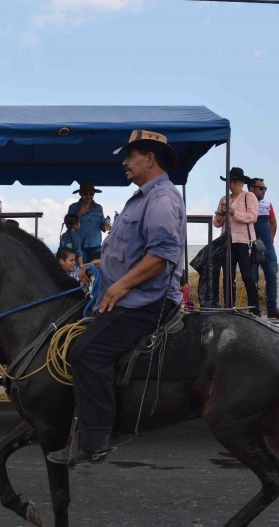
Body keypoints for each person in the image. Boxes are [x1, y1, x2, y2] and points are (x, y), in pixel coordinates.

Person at [47, 130, 185, 466]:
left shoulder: (161, 199)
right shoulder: (140, 198)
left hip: (146, 300)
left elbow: (163, 255)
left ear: (149, 158)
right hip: (128, 293)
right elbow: (128, 249)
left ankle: (94, 440)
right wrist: (99, 263)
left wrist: (120, 286)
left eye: (130, 155)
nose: (124, 161)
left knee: (86, 352)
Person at [212, 167, 260, 316]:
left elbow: (252, 217)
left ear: (241, 183)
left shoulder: (249, 196)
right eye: (229, 182)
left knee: (247, 275)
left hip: (243, 241)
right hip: (227, 241)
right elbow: (216, 222)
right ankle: (229, 307)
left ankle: (255, 308)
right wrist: (220, 214)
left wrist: (233, 213)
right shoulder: (223, 199)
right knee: (228, 275)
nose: (231, 185)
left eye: (234, 182)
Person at [249, 177, 279, 320]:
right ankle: (254, 310)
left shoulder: (267, 204)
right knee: (252, 279)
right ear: (251, 189)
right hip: (251, 247)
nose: (264, 191)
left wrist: (270, 240)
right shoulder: (246, 202)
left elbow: (273, 222)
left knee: (272, 276)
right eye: (261, 188)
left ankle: (272, 309)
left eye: (265, 188)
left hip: (267, 246)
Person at [67, 181, 108, 262]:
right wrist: (80, 212)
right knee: (80, 271)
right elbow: (68, 224)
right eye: (86, 193)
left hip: (95, 246)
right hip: (78, 246)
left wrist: (108, 223)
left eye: (91, 194)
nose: (89, 196)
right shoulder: (73, 207)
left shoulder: (99, 208)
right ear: (80, 194)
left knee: (94, 272)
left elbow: (104, 229)